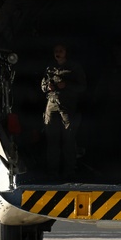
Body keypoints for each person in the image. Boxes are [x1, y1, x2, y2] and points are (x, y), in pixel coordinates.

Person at [41, 43, 86, 179]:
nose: (58, 53)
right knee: (52, 139)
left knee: (69, 139)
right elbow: (43, 85)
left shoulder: (74, 67)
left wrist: (66, 85)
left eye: (61, 50)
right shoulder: (50, 68)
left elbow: (82, 86)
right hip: (52, 104)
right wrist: (48, 87)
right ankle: (52, 171)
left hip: (68, 105)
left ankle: (69, 171)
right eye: (56, 51)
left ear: (66, 52)